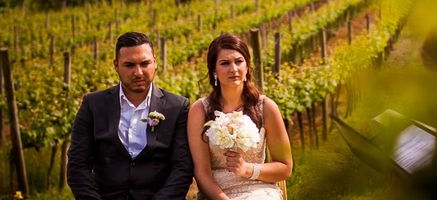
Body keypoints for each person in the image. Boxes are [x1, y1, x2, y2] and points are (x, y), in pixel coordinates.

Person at [67, 31, 193, 200]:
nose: (138, 72)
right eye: (129, 65)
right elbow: (77, 164)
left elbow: (182, 168)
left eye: (145, 63)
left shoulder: (177, 107)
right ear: (116, 65)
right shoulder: (93, 105)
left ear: (155, 62)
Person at [187, 33, 293, 200]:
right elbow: (202, 172)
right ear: (214, 70)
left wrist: (247, 169)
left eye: (238, 61)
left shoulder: (266, 107)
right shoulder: (199, 110)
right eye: (225, 63)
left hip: (259, 190)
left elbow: (285, 167)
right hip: (216, 193)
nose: (233, 69)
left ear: (247, 66)